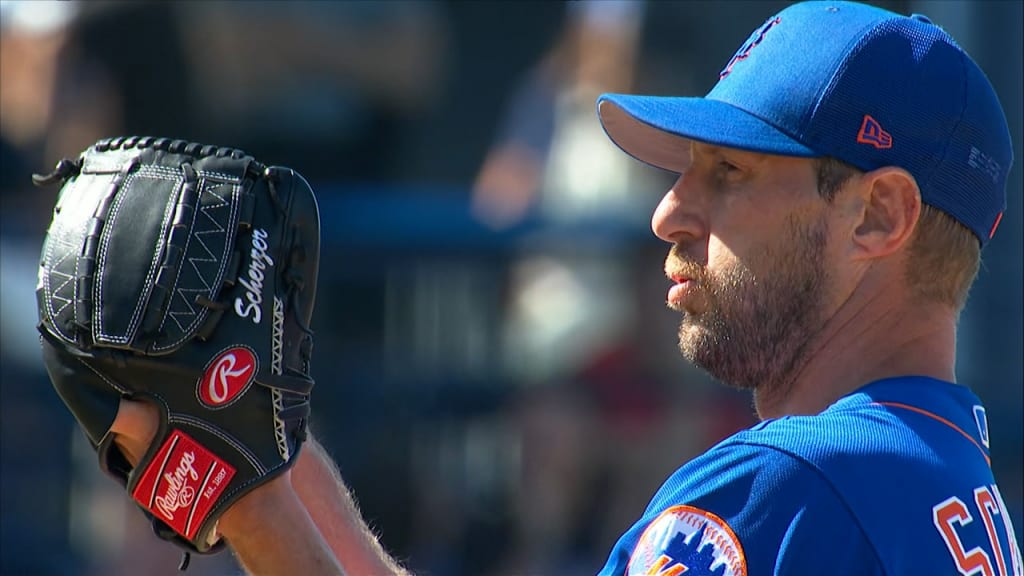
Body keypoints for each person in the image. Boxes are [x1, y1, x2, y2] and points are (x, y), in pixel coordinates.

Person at [105, 1, 1021, 575]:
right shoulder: (947, 478)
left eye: (729, 174)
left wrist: (248, 502)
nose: (667, 213)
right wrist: (274, 447)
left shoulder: (789, 486)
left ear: (878, 217)